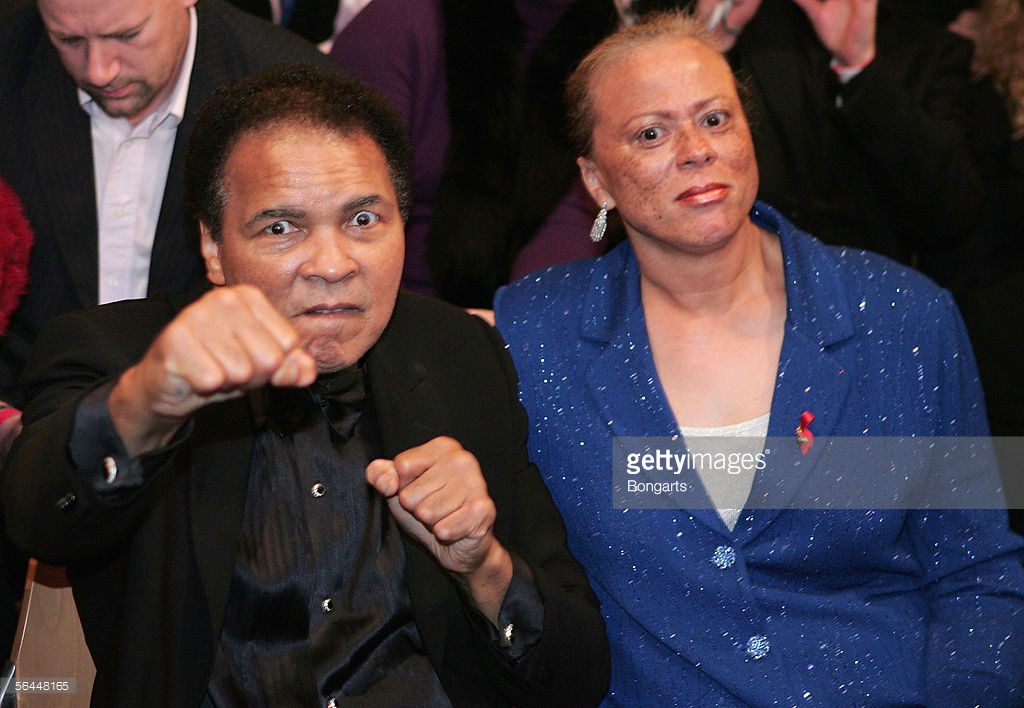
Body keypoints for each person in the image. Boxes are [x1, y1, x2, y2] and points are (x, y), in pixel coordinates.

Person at [2, 64, 609, 706]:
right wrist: (146, 403)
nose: (331, 264)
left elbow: (576, 675)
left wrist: (481, 565)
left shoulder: (460, 356)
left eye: (364, 220)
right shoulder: (117, 356)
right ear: (211, 245)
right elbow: (40, 520)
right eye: (281, 228)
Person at [494, 12, 1024, 705]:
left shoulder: (904, 315)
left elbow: (978, 574)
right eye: (650, 133)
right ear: (595, 182)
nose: (694, 150)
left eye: (715, 119)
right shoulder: (532, 335)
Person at [0, 0, 337, 408]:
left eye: (126, 35)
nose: (98, 70)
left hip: (219, 431)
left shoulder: (294, 94)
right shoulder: (10, 52)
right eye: (68, 40)